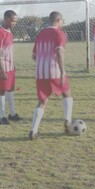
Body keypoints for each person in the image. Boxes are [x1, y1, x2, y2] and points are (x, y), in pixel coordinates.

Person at [29, 11, 73, 140]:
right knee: (67, 94)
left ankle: (33, 130)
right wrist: (62, 72)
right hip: (55, 71)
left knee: (42, 102)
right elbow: (59, 51)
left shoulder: (41, 34)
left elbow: (34, 56)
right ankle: (67, 122)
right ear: (58, 20)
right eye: (62, 20)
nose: (63, 23)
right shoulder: (59, 33)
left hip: (40, 73)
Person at [0, 10, 21, 125]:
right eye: (13, 21)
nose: (14, 23)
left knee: (11, 88)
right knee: (2, 90)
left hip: (10, 66)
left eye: (15, 21)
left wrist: (13, 65)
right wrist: (2, 71)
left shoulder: (9, 32)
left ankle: (12, 114)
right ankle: (2, 116)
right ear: (6, 19)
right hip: (1, 67)